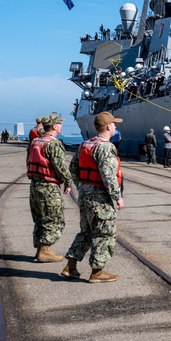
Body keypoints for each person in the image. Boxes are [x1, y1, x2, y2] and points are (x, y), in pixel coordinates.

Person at [62, 112, 125, 284]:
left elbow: (73, 168)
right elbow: (108, 175)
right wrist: (117, 197)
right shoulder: (106, 147)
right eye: (114, 124)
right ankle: (97, 272)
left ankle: (71, 266)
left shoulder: (85, 144)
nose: (116, 127)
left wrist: (82, 186)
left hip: (85, 195)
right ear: (107, 127)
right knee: (105, 233)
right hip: (99, 198)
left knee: (87, 232)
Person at [26, 112, 73, 263]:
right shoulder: (53, 143)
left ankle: (42, 249)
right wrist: (68, 181)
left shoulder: (35, 141)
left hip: (35, 184)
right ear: (54, 126)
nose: (61, 125)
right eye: (59, 123)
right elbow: (60, 166)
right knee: (54, 219)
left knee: (40, 218)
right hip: (48, 186)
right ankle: (44, 252)